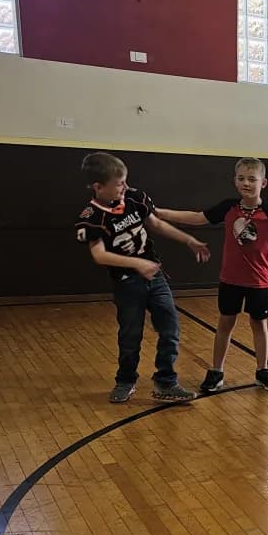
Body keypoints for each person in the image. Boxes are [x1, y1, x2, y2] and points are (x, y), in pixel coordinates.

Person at [154, 157, 268, 394]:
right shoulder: (228, 208)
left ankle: (262, 370)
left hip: (258, 282)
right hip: (230, 281)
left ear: (263, 183)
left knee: (259, 324)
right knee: (225, 323)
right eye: (241, 179)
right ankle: (216, 371)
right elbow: (197, 217)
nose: (246, 183)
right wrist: (159, 212)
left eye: (252, 179)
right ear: (234, 181)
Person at [75, 151, 209, 403]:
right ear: (98, 187)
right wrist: (136, 263)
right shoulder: (90, 218)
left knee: (170, 327)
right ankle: (125, 380)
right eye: (119, 184)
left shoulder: (135, 198)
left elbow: (156, 224)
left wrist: (188, 240)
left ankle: (165, 382)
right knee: (130, 336)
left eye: (126, 181)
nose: (125, 187)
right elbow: (100, 255)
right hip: (127, 284)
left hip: (155, 277)